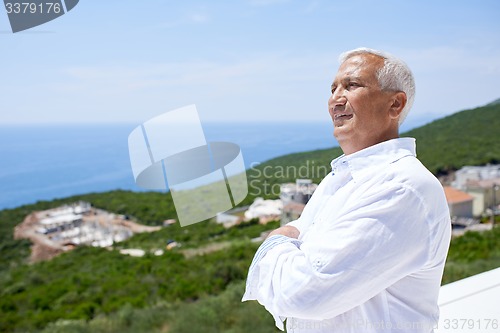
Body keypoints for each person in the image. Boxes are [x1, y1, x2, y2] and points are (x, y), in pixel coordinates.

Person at [242, 47, 451, 332]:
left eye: (351, 85)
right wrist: (290, 246)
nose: (334, 100)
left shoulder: (402, 187)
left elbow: (303, 294)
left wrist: (274, 241)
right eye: (333, 88)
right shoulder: (338, 179)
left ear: (395, 105)